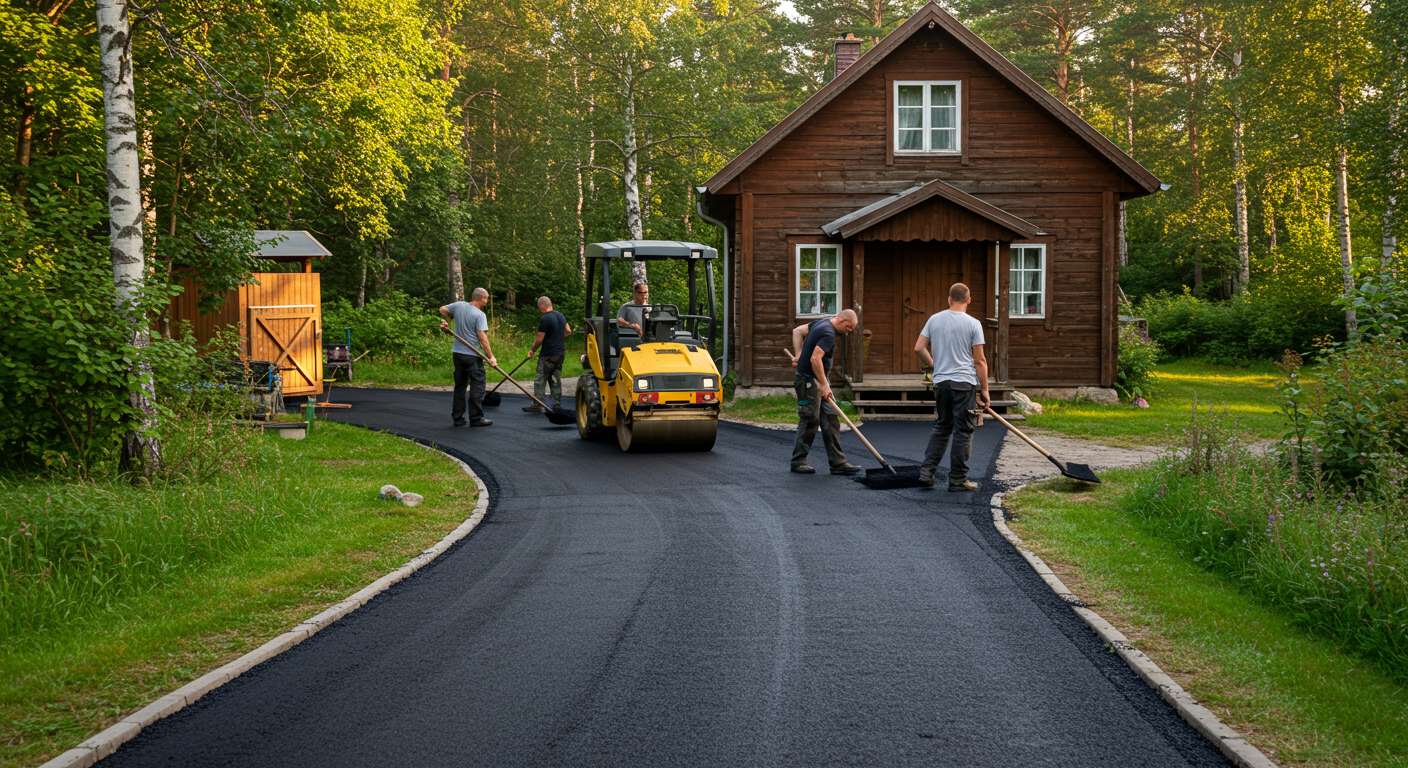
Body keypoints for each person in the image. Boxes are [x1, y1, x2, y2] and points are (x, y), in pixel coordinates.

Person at [913, 283, 990, 491]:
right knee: (963, 431)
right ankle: (957, 480)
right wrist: (984, 390)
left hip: (941, 383)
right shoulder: (973, 324)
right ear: (969, 300)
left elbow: (919, 347)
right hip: (963, 383)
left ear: (949, 299)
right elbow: (980, 361)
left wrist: (935, 365)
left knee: (942, 427)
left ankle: (926, 473)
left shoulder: (934, 319)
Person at [789, 308, 862, 475]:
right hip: (808, 381)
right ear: (843, 321)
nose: (849, 332)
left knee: (830, 419)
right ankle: (798, 461)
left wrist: (798, 354)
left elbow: (797, 331)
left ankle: (838, 463)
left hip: (818, 380)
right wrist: (824, 384)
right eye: (849, 327)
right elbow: (815, 358)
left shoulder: (823, 322)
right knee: (810, 419)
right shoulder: (828, 333)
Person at [439, 287, 498, 428]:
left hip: (457, 354)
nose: (487, 300)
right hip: (472, 356)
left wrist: (448, 321)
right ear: (482, 298)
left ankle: (458, 419)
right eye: (487, 298)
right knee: (477, 385)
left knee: (460, 386)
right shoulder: (479, 315)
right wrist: (491, 357)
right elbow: (483, 338)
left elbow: (442, 309)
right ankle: (476, 418)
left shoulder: (459, 305)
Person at [525, 295, 571, 413]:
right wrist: (558, 338)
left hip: (548, 354)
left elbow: (539, 339)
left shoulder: (545, 318)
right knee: (555, 378)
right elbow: (568, 331)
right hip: (560, 353)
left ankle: (537, 404)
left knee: (540, 379)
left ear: (542, 305)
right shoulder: (560, 315)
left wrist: (532, 350)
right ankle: (556, 404)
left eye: (539, 307)